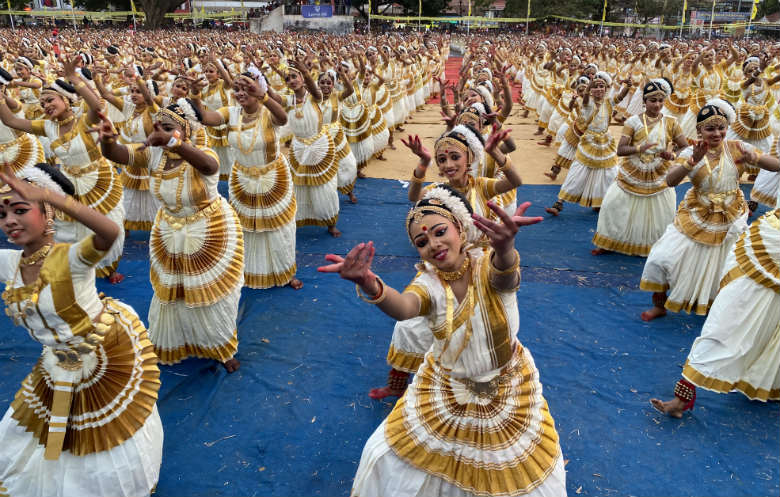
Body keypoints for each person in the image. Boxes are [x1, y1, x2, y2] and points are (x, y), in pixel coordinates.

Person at [318, 186, 567, 497]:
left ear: (461, 230)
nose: (433, 244)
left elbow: (506, 277)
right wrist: (369, 283)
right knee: (387, 455)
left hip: (505, 385)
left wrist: (506, 248)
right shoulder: (428, 282)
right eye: (422, 242)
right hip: (448, 386)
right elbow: (404, 307)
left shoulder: (487, 262)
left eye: (440, 232)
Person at [0, 163, 162, 496]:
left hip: (101, 354)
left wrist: (48, 195)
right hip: (57, 361)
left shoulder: (70, 259)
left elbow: (110, 234)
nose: (10, 221)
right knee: (56, 430)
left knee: (101, 437)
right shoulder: (11, 264)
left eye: (20, 210)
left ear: (48, 216)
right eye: (2, 215)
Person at [96, 101, 244, 372]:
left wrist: (175, 144)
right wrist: (107, 141)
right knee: (173, 293)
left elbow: (210, 167)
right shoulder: (153, 154)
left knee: (207, 292)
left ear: (186, 131)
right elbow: (118, 154)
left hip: (207, 229)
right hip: (169, 229)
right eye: (159, 127)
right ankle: (178, 341)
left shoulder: (203, 153)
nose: (162, 133)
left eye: (170, 128)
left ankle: (219, 346)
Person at [639, 98, 780, 320]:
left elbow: (775, 165)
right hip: (697, 213)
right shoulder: (690, 152)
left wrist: (756, 158)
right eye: (710, 128)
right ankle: (659, 305)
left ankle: (722, 309)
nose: (716, 133)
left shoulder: (737, 148)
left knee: (725, 265)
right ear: (699, 130)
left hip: (730, 216)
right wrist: (691, 163)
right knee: (661, 257)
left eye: (721, 128)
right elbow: (670, 181)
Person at [0, 55, 126, 284]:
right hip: (67, 179)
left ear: (66, 100)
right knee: (68, 224)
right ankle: (76, 263)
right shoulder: (47, 126)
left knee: (104, 220)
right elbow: (12, 122)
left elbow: (97, 105)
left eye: (50, 100)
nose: (46, 106)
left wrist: (73, 78)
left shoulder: (83, 120)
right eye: (43, 104)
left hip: (97, 179)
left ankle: (108, 267)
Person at [650, 206, 780, 417]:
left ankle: (761, 382)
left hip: (765, 263)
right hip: (755, 266)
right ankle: (681, 399)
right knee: (720, 333)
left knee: (765, 338)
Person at [194, 72, 302, 290]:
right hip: (242, 178)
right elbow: (206, 118)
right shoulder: (231, 113)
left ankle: (285, 271)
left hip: (272, 177)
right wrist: (195, 95)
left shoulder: (267, 112)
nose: (241, 93)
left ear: (258, 90)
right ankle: (250, 270)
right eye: (238, 89)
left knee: (279, 229)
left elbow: (283, 118)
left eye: (247, 89)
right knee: (247, 229)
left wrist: (263, 97)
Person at [592, 78, 689, 256]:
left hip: (659, 172)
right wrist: (639, 148)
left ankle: (653, 245)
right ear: (644, 102)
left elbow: (684, 146)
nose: (657, 104)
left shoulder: (671, 122)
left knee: (659, 211)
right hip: (633, 170)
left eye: (660, 100)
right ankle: (608, 242)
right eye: (653, 100)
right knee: (614, 205)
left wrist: (673, 155)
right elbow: (621, 150)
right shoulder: (633, 122)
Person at [546, 72, 631, 216]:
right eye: (596, 87)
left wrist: (627, 86)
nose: (599, 89)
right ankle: (559, 203)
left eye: (602, 87)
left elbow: (621, 96)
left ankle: (599, 202)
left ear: (606, 89)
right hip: (588, 142)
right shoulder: (585, 102)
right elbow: (585, 97)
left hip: (605, 143)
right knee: (578, 171)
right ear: (591, 90)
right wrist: (589, 86)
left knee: (608, 173)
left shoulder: (608, 102)